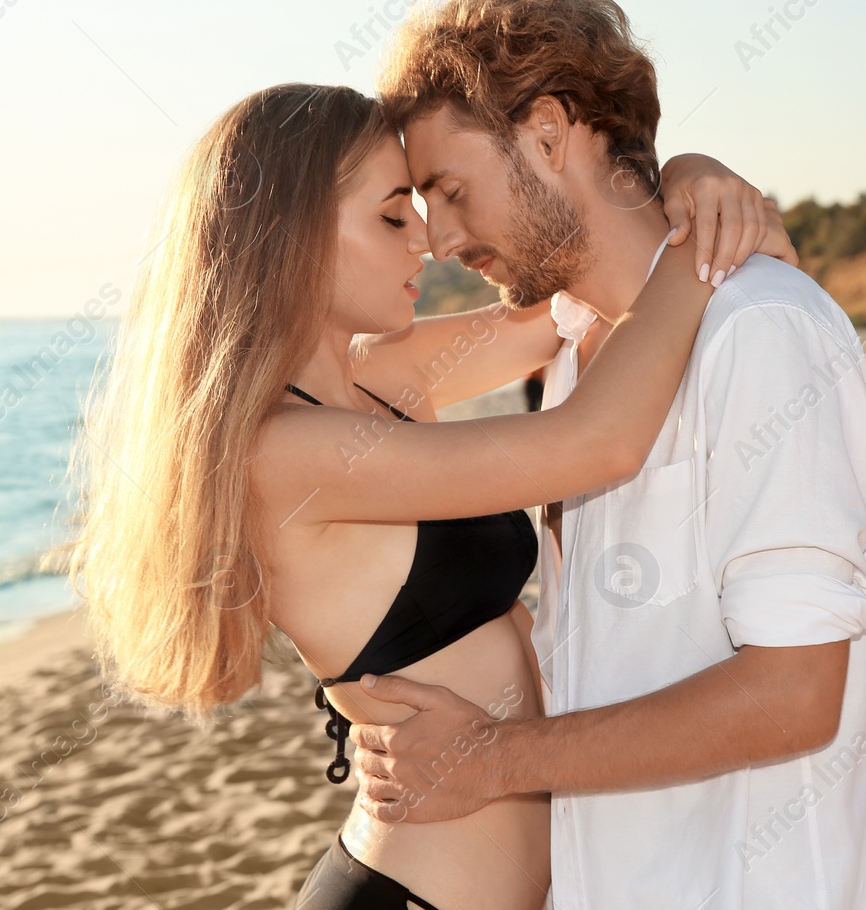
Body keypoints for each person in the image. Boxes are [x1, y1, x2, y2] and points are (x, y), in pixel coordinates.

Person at [63, 81, 795, 910]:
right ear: (293, 237)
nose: (428, 240)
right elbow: (596, 440)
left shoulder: (380, 381)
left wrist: (693, 179)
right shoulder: (282, 449)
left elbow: (573, 308)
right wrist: (705, 248)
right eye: (390, 216)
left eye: (423, 206)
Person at [348, 0, 866, 908]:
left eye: (450, 190)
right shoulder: (578, 353)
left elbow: (795, 695)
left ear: (546, 132)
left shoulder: (758, 328)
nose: (443, 240)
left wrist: (492, 759)